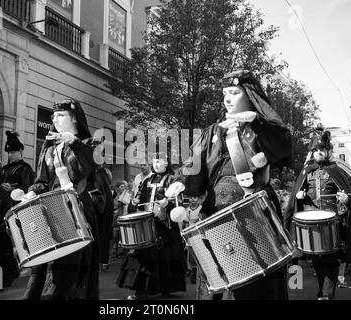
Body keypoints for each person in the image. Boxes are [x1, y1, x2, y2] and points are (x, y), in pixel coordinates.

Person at [166, 70, 293, 300]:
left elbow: (284, 147)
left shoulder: (261, 128)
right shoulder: (213, 131)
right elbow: (194, 166)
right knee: (217, 280)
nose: (227, 98)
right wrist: (180, 182)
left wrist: (257, 122)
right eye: (225, 93)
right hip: (215, 214)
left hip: (253, 212)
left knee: (256, 284)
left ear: (250, 97)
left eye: (234, 93)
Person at [23, 99, 106, 300]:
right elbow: (42, 180)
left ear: (75, 118)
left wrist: (74, 142)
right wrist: (32, 192)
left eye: (60, 115)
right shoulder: (50, 148)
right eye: (53, 116)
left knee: (68, 266)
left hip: (76, 208)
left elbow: (89, 166)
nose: (54, 119)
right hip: (50, 208)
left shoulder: (89, 144)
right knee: (45, 263)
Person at [283, 127, 351, 300]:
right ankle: (323, 292)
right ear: (312, 153)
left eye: (322, 150)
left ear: (328, 151)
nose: (319, 152)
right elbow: (295, 198)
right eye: (316, 150)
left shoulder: (338, 170)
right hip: (309, 222)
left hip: (331, 221)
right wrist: (299, 196)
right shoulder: (306, 171)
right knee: (317, 260)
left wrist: (346, 199)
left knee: (330, 259)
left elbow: (349, 196)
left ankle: (327, 294)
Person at [116, 152, 187, 300]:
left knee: (166, 256)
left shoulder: (173, 180)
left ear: (166, 163)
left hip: (165, 226)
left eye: (159, 161)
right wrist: (133, 203)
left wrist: (169, 203)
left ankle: (167, 288)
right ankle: (142, 291)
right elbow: (138, 198)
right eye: (154, 161)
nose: (156, 164)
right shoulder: (147, 179)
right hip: (147, 224)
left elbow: (179, 202)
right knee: (144, 256)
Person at [0, 131, 35, 294]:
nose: (11, 155)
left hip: (13, 213)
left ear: (20, 152)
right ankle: (10, 270)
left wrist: (13, 189)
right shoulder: (4, 169)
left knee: (4, 247)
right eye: (9, 152)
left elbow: (28, 191)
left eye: (13, 152)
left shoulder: (25, 168)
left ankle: (1, 281)